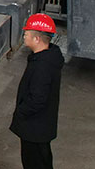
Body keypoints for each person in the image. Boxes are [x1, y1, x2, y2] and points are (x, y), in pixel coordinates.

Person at [10, 13, 63, 169]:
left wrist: (20, 112)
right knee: (42, 160)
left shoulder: (42, 66)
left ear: (37, 39)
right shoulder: (45, 58)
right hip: (40, 127)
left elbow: (37, 99)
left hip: (34, 128)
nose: (24, 36)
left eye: (26, 33)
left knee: (34, 162)